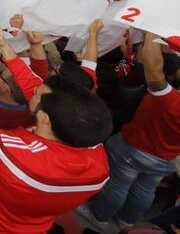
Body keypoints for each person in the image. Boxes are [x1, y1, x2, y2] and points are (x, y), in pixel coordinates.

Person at [0, 22, 112, 234]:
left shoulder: (14, 152)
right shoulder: (98, 162)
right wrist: (5, 47)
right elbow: (33, 84)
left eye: (37, 94)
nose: (32, 89)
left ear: (44, 118)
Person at [77, 30, 180, 231]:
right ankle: (128, 220)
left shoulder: (172, 101)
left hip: (135, 148)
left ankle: (99, 217)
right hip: (165, 157)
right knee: (145, 189)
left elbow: (154, 70)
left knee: (117, 185)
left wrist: (151, 32)